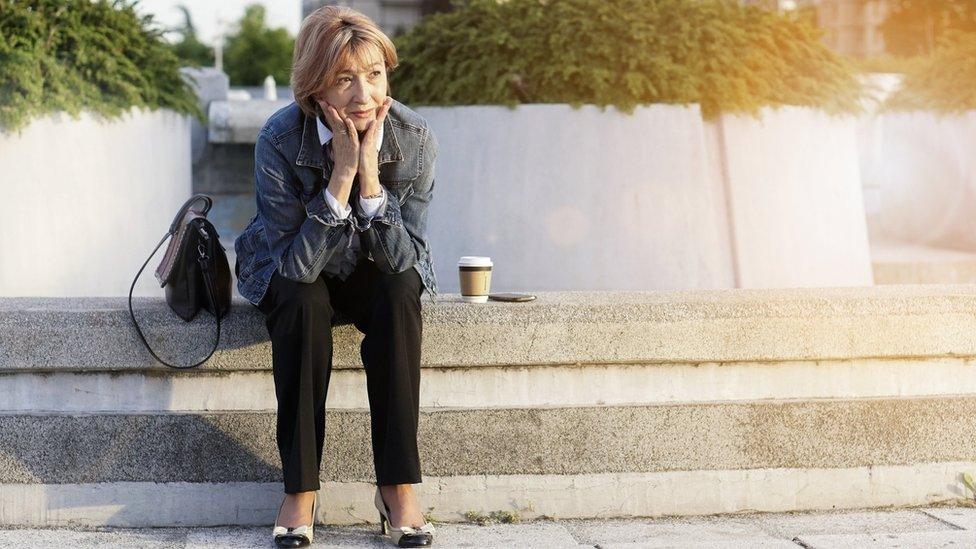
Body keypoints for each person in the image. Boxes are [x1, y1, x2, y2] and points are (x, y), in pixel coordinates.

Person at [233, 5, 439, 548]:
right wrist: (341, 177)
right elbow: (296, 268)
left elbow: (404, 259)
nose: (364, 95)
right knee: (303, 302)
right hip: (294, 268)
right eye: (345, 79)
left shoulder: (413, 137)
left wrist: (370, 179)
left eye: (374, 75)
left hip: (375, 266)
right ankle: (300, 490)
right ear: (313, 86)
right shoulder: (279, 138)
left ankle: (396, 486)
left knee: (399, 294)